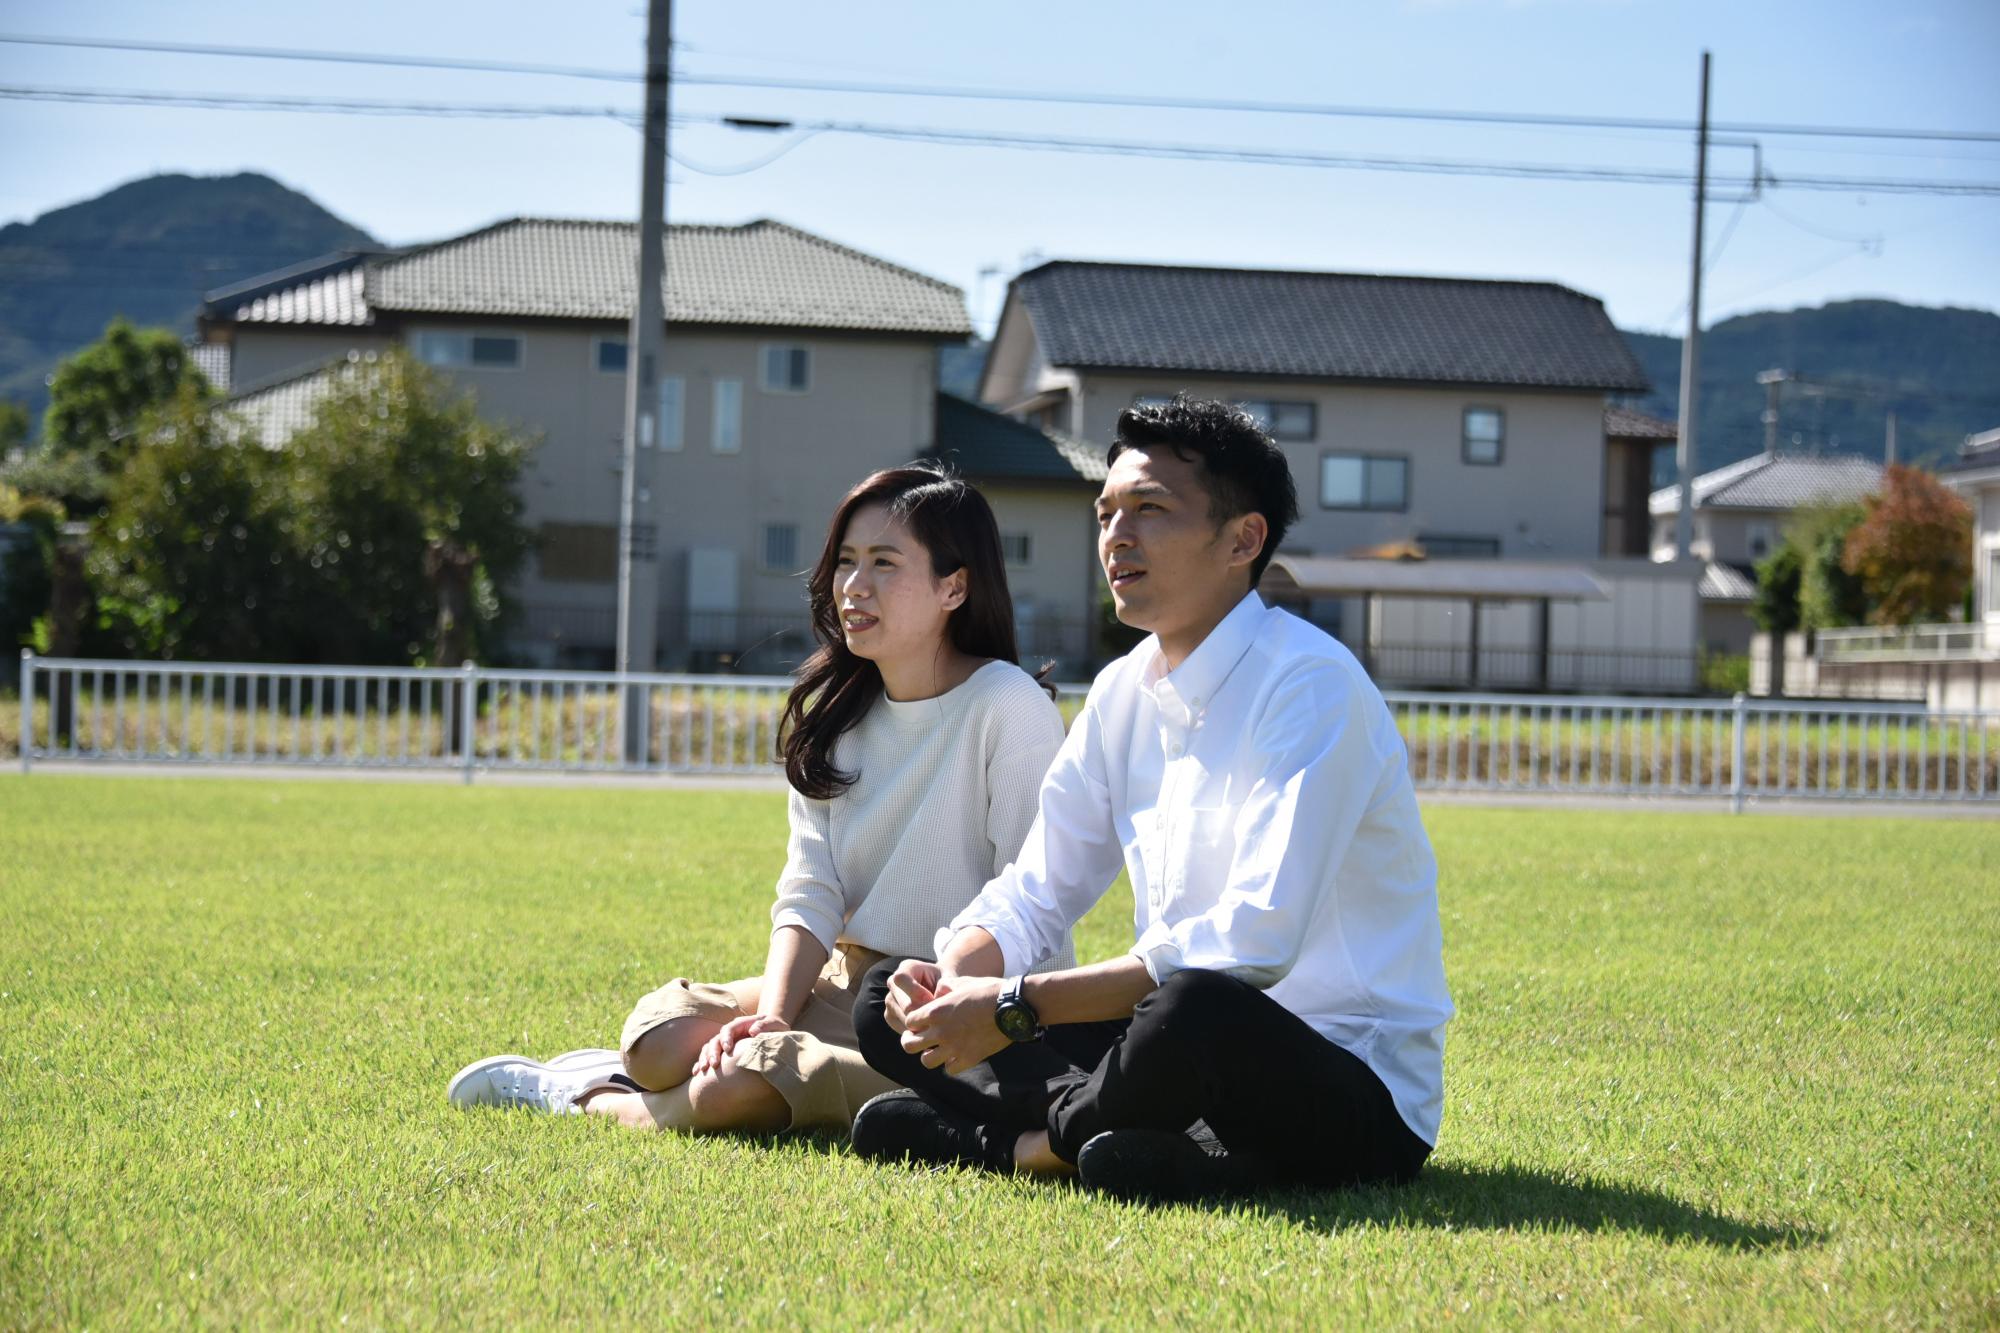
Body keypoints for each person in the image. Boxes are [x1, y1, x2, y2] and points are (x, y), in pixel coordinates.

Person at [849, 395, 1453, 1203]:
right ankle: (1140, 1145)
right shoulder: (1122, 691)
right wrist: (960, 980)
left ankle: (1016, 1146)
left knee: (1194, 1007)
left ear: (1243, 539)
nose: (1115, 536)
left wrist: (1013, 1008)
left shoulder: (1310, 685)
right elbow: (1039, 885)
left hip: (1348, 1080)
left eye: (1150, 510)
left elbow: (1250, 945)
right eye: (1106, 513)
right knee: (885, 995)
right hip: (1172, 1050)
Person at [447, 465, 1071, 1136]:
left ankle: (587, 1097)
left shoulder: (1008, 706)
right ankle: (639, 1069)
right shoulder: (840, 713)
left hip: (961, 1013)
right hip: (848, 983)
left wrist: (945, 999)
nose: (854, 586)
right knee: (657, 1036)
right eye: (847, 561)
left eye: (885, 563)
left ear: (955, 586)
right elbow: (810, 891)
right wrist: (772, 1014)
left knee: (735, 1086)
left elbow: (1030, 906)